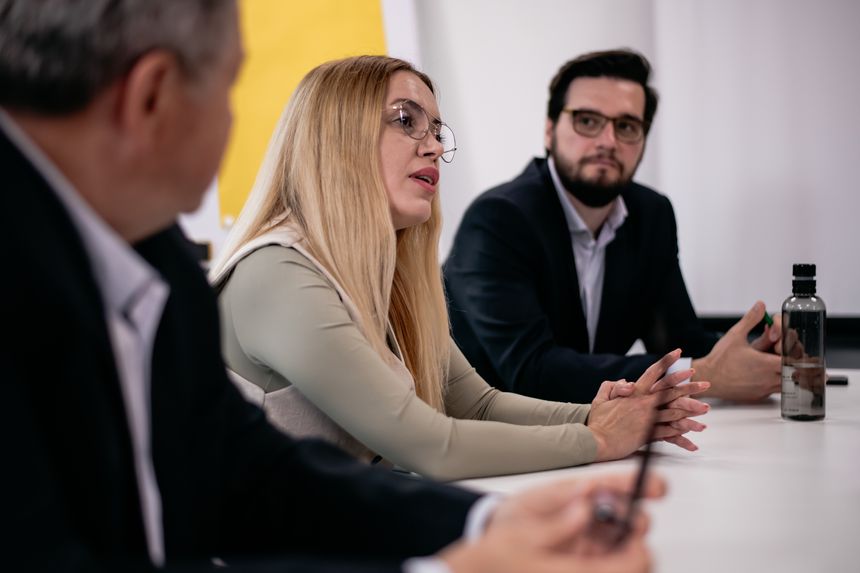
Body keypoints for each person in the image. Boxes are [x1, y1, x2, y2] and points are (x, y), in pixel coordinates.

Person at [0, 3, 663, 571]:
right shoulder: (269, 270)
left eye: (435, 130)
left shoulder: (156, 256)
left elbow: (253, 473)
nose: (431, 146)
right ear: (152, 95)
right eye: (230, 90)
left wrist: (483, 525)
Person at [209, 55, 710, 481]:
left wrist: (602, 415)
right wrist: (597, 440)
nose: (432, 146)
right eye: (406, 121)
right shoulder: (279, 272)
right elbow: (427, 445)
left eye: (434, 130)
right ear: (338, 135)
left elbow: (477, 404)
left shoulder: (384, 278)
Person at [443, 49, 782, 405]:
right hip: (486, 436)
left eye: (626, 126)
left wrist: (752, 354)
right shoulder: (498, 220)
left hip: (593, 435)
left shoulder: (651, 214)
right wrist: (699, 372)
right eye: (587, 121)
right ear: (549, 131)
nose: (608, 141)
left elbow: (682, 342)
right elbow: (531, 371)